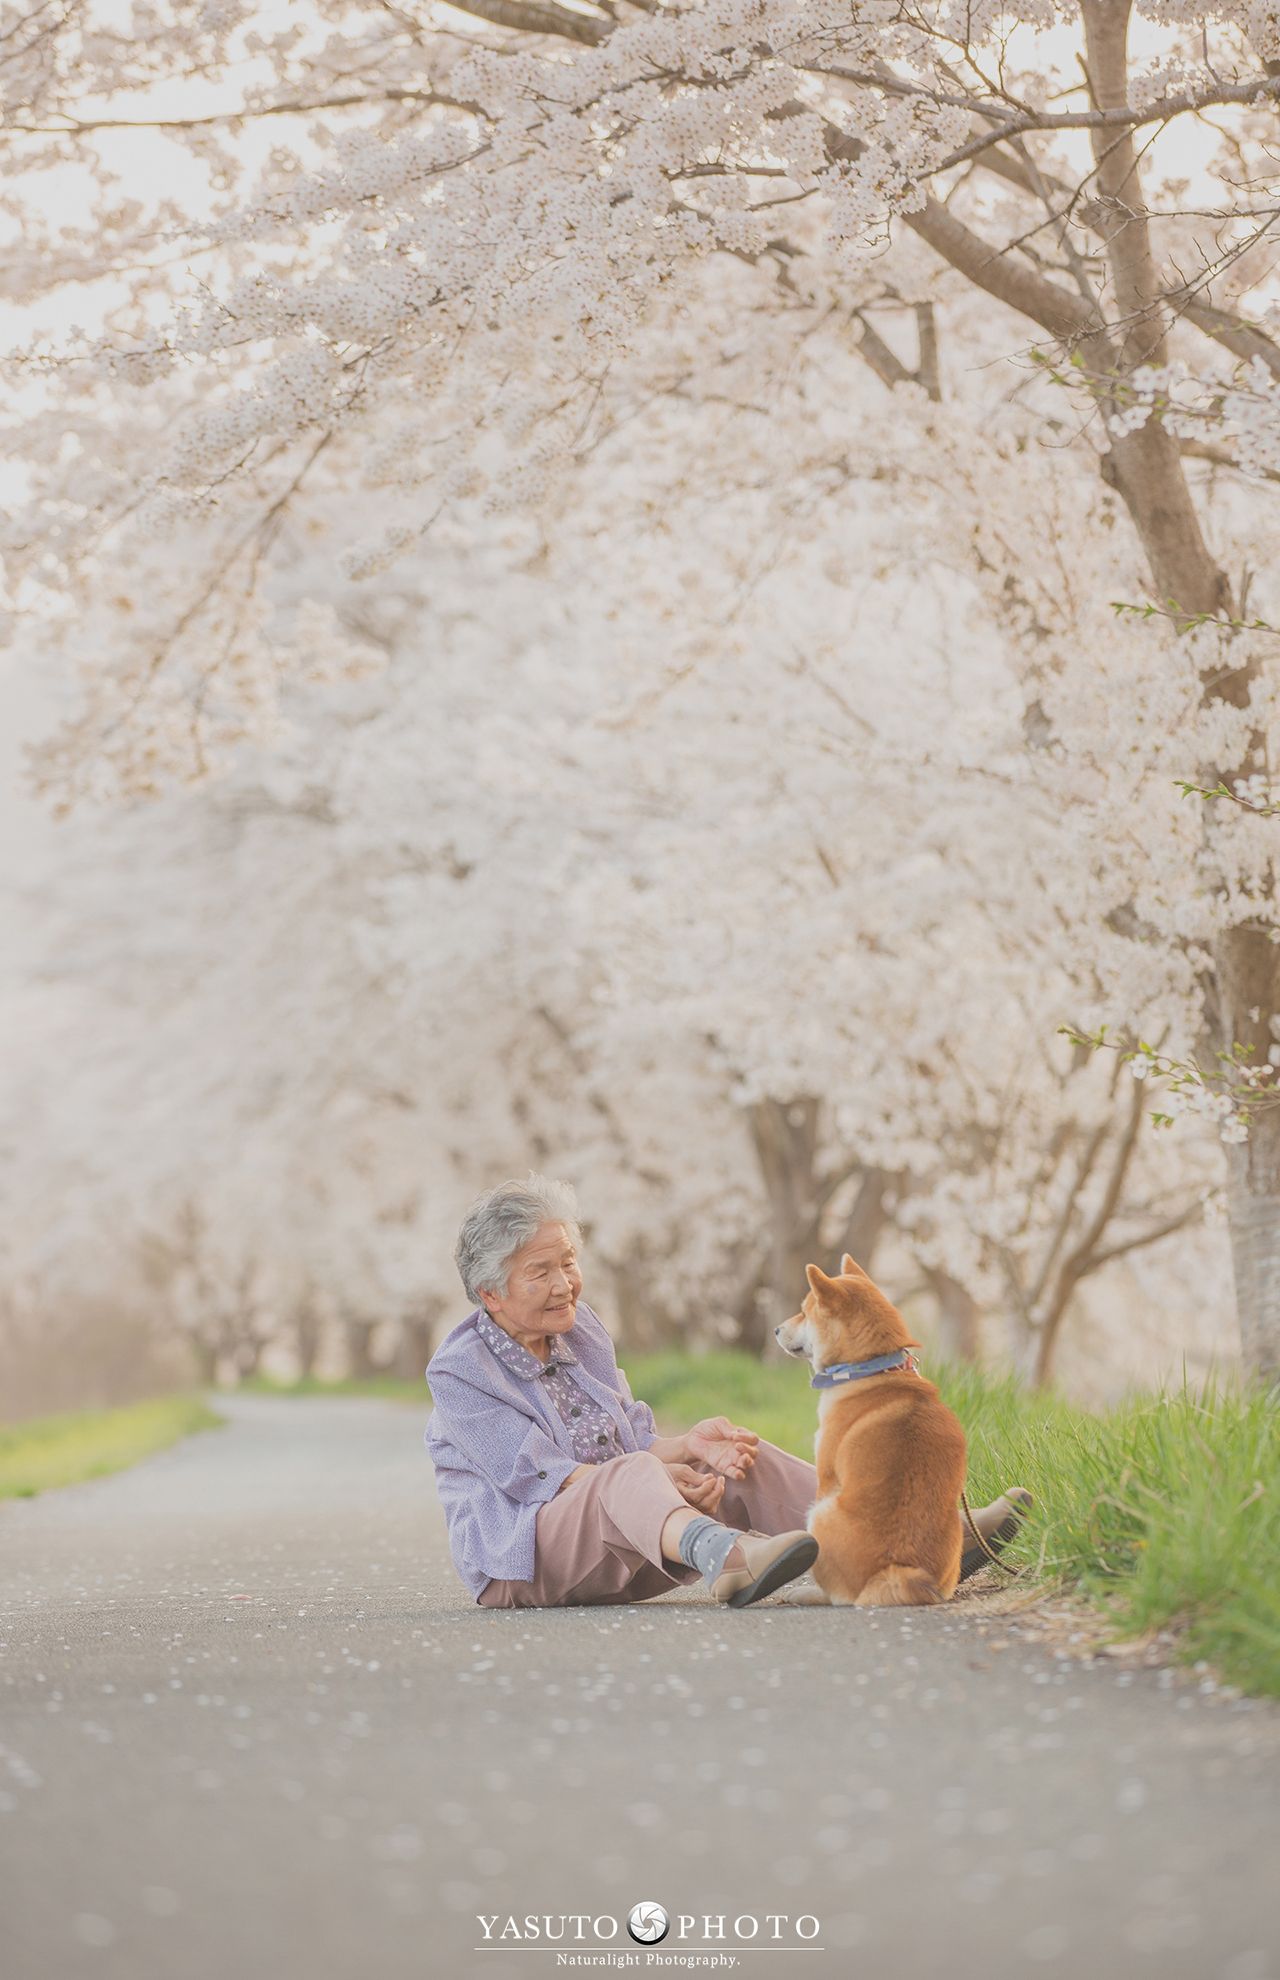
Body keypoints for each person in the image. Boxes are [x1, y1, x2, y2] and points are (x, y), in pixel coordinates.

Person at [424, 1173, 1029, 1610]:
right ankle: (731, 1559)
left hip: (632, 1546)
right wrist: (654, 1474)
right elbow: (543, 1476)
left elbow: (629, 1443)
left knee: (740, 1455)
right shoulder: (460, 1371)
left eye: (569, 1262)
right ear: (490, 1294)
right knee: (631, 1473)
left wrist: (691, 1447)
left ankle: (918, 1539)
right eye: (541, 1272)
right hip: (525, 1564)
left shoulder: (580, 1330)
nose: (565, 1284)